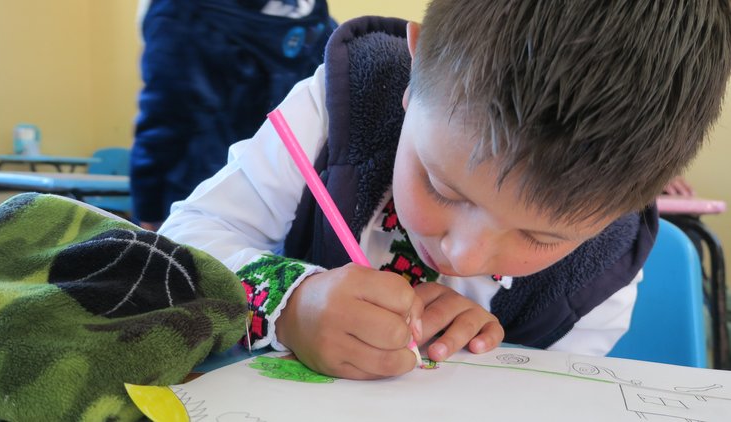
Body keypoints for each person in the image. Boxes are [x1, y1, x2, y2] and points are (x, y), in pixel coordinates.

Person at [159, 1, 731, 380]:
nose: (463, 254)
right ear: (417, 67)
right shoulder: (336, 111)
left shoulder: (600, 273)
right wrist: (292, 303)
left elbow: (547, 397)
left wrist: (493, 360)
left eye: (538, 236)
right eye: (441, 185)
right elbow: (181, 243)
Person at [130, 0, 336, 230]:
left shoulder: (179, 13)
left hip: (198, 200)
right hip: (285, 201)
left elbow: (164, 118)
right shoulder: (315, 21)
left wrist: (149, 212)